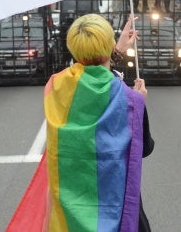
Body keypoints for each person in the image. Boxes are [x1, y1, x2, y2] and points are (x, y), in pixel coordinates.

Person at [43, 14, 154, 232]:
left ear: (73, 48)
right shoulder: (129, 98)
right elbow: (144, 148)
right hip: (115, 203)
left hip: (70, 202)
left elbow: (91, 73)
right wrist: (139, 103)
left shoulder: (55, 86)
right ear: (109, 45)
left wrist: (114, 53)